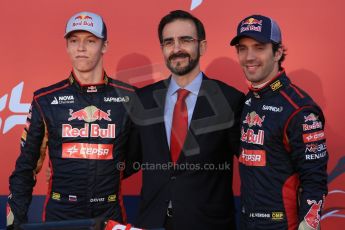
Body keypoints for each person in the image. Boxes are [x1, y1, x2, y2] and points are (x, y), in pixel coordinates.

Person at [7, 11, 135, 229]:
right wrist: (15, 221)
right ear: (67, 46)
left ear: (104, 46)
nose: (81, 48)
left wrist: (111, 169)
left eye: (90, 41)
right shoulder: (45, 99)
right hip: (61, 214)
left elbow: (140, 156)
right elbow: (25, 168)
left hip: (110, 214)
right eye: (74, 41)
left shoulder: (130, 98)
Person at [126, 10, 245, 230]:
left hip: (209, 224)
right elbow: (127, 161)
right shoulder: (143, 100)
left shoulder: (230, 100)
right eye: (168, 42)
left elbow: (253, 164)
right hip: (153, 221)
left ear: (202, 46)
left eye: (186, 40)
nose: (177, 48)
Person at [230, 15, 328, 230]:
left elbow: (314, 179)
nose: (249, 56)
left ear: (278, 52)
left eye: (259, 47)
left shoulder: (299, 109)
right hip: (246, 221)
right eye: (242, 48)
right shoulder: (247, 101)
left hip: (283, 225)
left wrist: (308, 225)